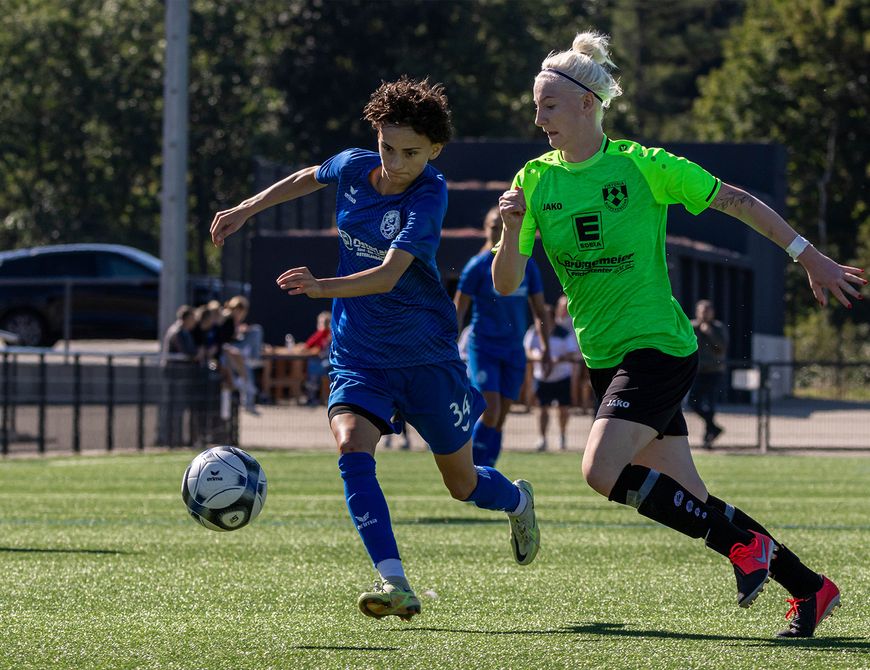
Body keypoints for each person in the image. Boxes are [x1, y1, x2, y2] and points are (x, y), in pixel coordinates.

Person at [493, 30, 864, 638]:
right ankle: (811, 588)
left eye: (549, 106)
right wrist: (510, 229)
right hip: (604, 357)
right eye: (535, 108)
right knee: (691, 495)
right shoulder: (534, 180)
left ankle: (747, 548)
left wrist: (808, 256)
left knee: (599, 471)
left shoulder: (645, 167)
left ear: (588, 103)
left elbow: (739, 201)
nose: (539, 120)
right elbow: (508, 282)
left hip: (660, 347)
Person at [210, 76, 540, 622]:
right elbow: (304, 177)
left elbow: (387, 276)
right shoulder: (353, 167)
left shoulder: (430, 192)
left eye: (412, 152)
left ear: (435, 150)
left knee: (462, 485)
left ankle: (516, 501)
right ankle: (394, 581)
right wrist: (246, 209)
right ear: (376, 135)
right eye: (388, 146)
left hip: (426, 355)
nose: (396, 161)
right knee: (350, 448)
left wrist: (322, 288)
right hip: (360, 354)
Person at [454, 205, 550, 467]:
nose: (498, 231)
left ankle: (487, 470)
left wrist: (546, 348)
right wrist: (450, 342)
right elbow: (459, 307)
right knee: (491, 410)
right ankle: (470, 470)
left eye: (501, 226)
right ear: (486, 229)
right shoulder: (477, 266)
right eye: (493, 226)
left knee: (503, 414)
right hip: (484, 347)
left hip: (514, 349)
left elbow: (540, 309)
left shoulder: (525, 264)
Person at [524, 303, 581, 452]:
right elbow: (527, 350)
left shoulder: (563, 333)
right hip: (541, 377)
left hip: (562, 376)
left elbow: (573, 352)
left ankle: (562, 435)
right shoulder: (533, 332)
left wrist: (558, 358)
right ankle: (542, 438)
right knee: (542, 409)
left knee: (563, 409)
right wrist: (538, 356)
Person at [688, 299, 728, 448]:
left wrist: (709, 332)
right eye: (702, 311)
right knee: (693, 402)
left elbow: (722, 348)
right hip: (697, 372)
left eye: (707, 311)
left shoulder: (718, 327)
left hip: (714, 372)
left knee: (710, 404)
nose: (704, 314)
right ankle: (714, 428)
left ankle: (708, 438)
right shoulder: (690, 326)